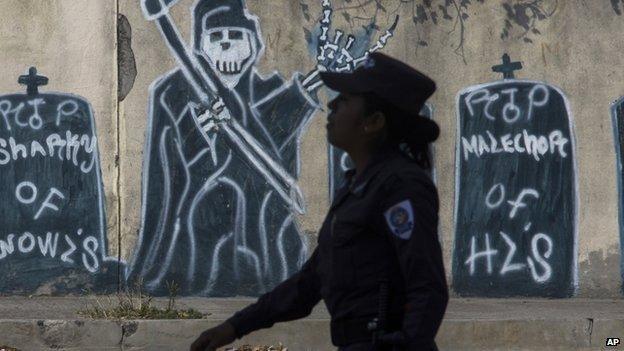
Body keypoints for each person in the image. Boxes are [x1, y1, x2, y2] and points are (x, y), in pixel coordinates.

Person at [190, 52, 449, 351]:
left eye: (346, 100)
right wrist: (234, 327)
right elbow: (310, 282)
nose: (331, 105)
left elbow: (427, 287)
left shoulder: (400, 187)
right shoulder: (358, 188)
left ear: (373, 121)